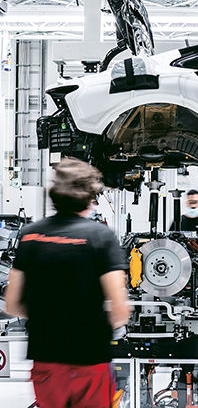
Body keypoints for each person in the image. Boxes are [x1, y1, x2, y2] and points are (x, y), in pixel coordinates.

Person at [4, 157, 131, 408]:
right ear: (89, 197)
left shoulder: (30, 235)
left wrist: (47, 316)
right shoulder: (101, 237)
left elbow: (11, 303)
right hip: (90, 361)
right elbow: (119, 311)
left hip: (46, 361)